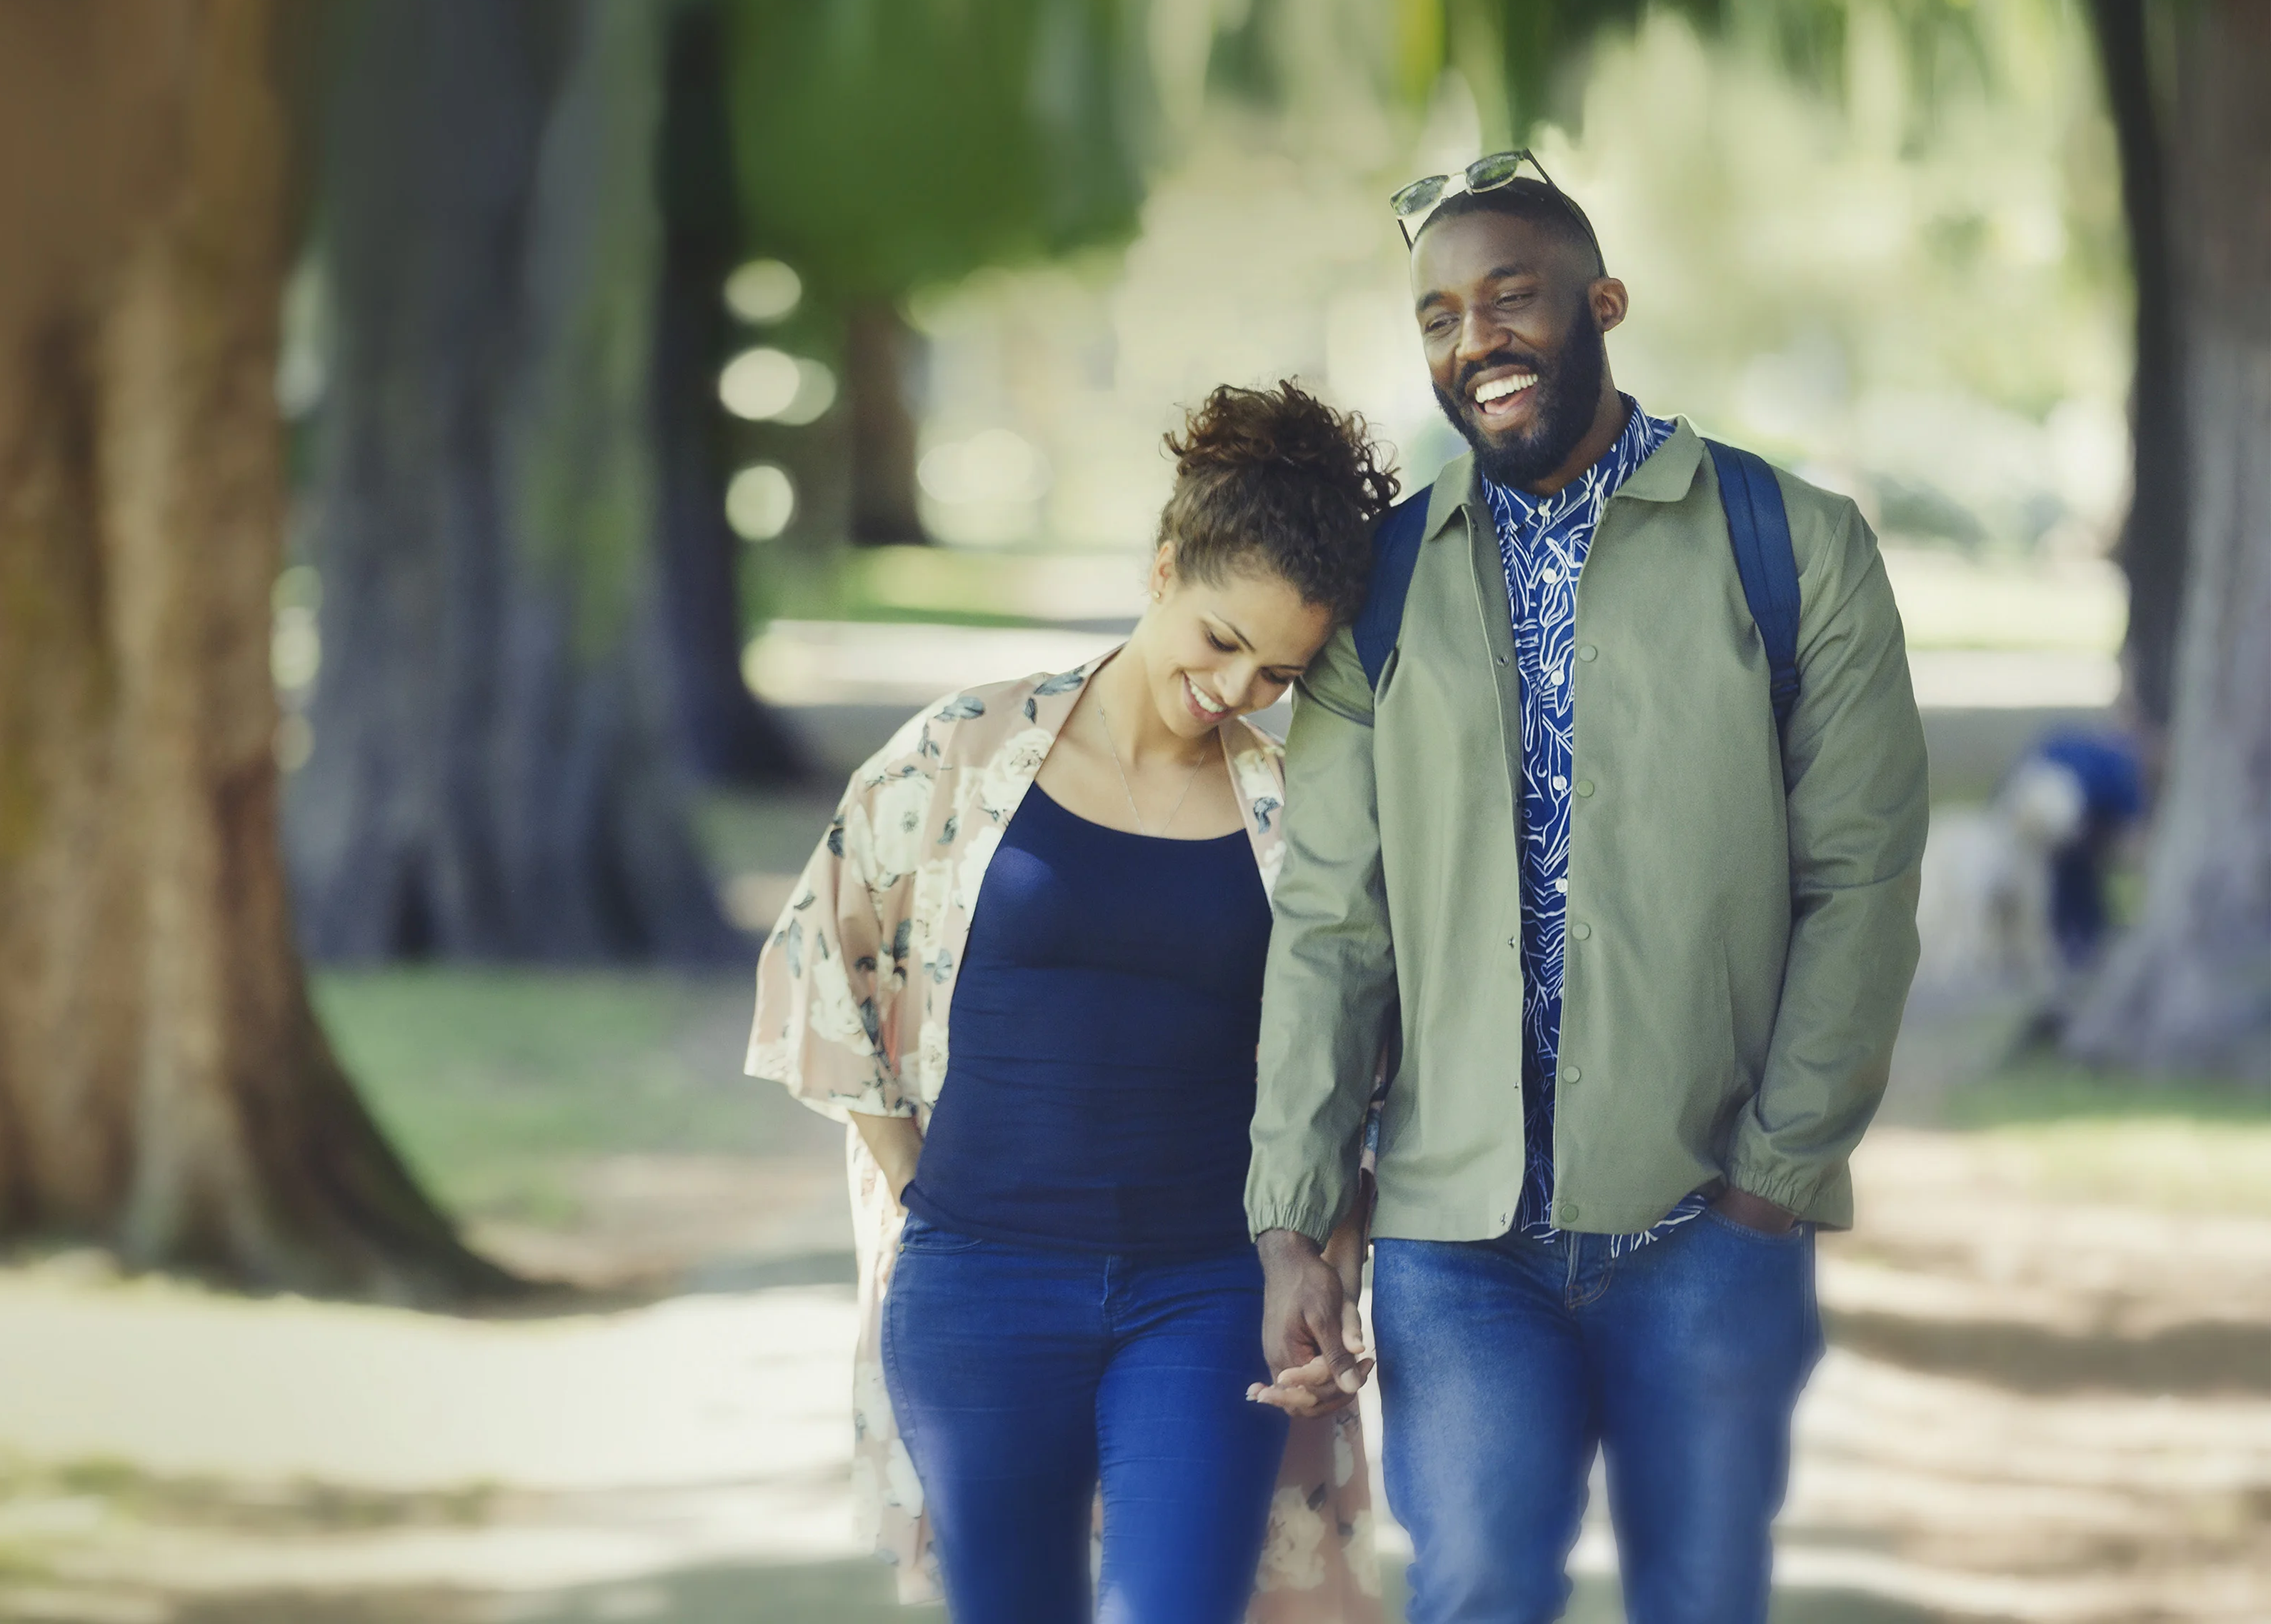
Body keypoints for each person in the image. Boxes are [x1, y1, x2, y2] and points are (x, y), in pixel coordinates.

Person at [1247, 153, 1930, 1623]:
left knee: (1700, 1601)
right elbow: (1331, 924)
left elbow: (1863, 883)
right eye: (1439, 317)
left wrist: (1769, 1187)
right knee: (1478, 1594)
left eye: (1512, 298)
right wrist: (1293, 1220)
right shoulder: (1381, 584)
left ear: (1603, 305)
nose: (1476, 341)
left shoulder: (1792, 546)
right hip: (1457, 1244)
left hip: (1706, 1224)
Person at [747, 382, 1393, 1624]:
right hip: (980, 1290)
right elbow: (823, 955)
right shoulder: (962, 754)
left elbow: (1357, 1055)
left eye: (1279, 671)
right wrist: (916, 1184)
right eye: (1220, 640)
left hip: (1211, 1295)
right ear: (1163, 570)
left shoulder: (1303, 813)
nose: (1238, 687)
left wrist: (1331, 1253)